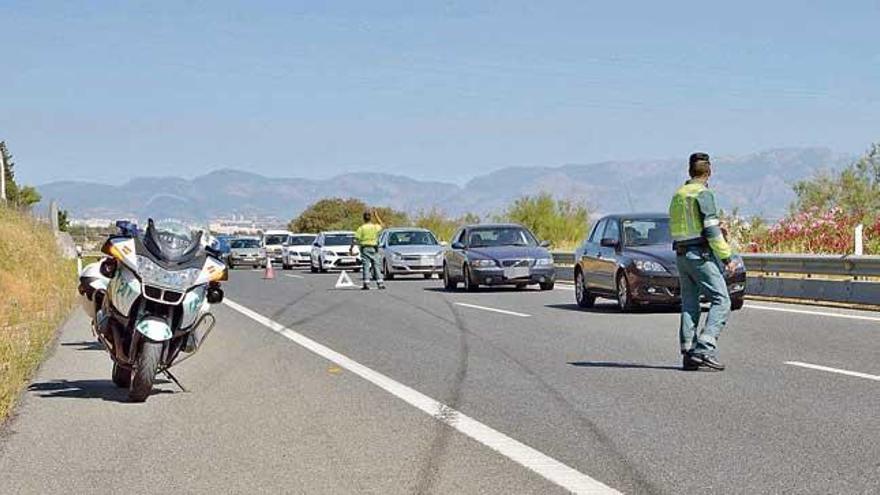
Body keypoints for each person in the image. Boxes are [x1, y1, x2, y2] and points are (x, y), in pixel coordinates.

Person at [669, 152, 736, 371]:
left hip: (681, 256)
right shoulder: (703, 194)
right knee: (722, 300)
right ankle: (704, 347)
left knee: (690, 303)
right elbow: (711, 230)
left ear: (690, 172)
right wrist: (727, 257)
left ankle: (688, 352)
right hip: (700, 255)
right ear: (709, 172)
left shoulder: (678, 194)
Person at [351, 211, 385, 290]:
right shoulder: (374, 227)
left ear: (363, 218)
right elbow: (382, 225)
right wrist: (376, 215)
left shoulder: (361, 228)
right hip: (374, 248)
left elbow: (355, 239)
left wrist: (351, 248)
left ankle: (366, 283)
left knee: (366, 266)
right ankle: (380, 283)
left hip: (365, 248)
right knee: (376, 266)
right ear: (371, 218)